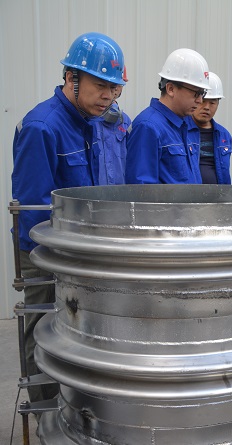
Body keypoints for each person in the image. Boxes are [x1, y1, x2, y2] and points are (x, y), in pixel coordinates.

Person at [11, 32, 126, 403]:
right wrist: (59, 260)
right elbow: (33, 210)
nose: (108, 96)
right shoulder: (42, 127)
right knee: (43, 330)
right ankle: (44, 409)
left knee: (76, 332)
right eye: (100, 85)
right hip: (44, 255)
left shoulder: (88, 123)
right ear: (71, 78)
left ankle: (74, 406)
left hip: (77, 253)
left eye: (114, 88)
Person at [125, 48, 209, 184]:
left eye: (202, 93)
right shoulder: (148, 127)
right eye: (196, 93)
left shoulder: (186, 124)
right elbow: (142, 189)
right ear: (170, 89)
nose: (200, 100)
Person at [189, 72, 232, 184]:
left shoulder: (224, 135)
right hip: (189, 193)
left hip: (218, 194)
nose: (207, 107)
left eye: (212, 103)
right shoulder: (181, 130)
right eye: (203, 101)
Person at [91, 66, 131, 185]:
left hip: (119, 193)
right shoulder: (88, 119)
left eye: (118, 85)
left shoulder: (125, 121)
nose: (115, 89)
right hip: (93, 193)